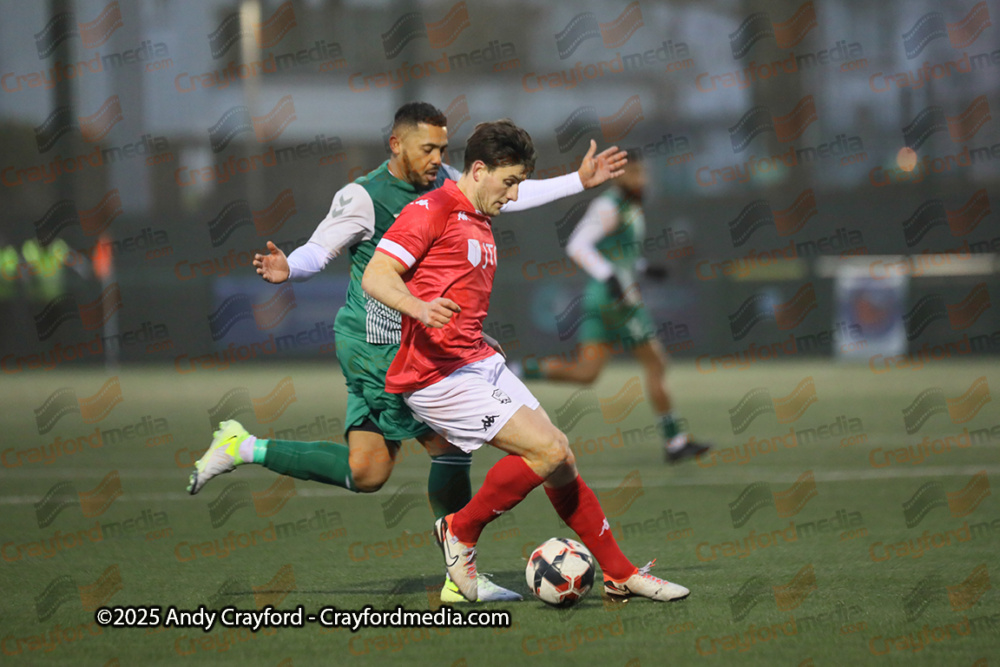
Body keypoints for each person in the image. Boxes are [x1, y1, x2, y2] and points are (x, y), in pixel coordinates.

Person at [186, 102, 627, 603]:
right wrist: (291, 267)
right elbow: (321, 248)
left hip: (422, 342)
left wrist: (578, 180)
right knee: (452, 447)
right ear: (396, 145)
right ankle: (459, 576)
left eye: (443, 147)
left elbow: (508, 192)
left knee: (367, 471)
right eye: (428, 148)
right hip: (378, 349)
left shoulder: (448, 183)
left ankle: (242, 446)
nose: (439, 158)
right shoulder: (363, 195)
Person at [362, 119, 689, 602]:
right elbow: (377, 275)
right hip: (435, 376)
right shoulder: (431, 208)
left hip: (473, 361)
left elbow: (455, 289)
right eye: (509, 182)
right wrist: (419, 308)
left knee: (562, 459)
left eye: (518, 182)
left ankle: (620, 573)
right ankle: (460, 530)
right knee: (548, 451)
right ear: (477, 170)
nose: (514, 195)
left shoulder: (479, 215)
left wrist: (578, 181)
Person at [516, 159, 711, 464]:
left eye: (644, 172)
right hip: (616, 300)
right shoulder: (608, 205)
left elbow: (618, 253)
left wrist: (644, 268)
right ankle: (675, 441)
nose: (642, 179)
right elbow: (578, 245)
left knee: (586, 372)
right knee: (656, 362)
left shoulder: (630, 206)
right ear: (619, 177)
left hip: (605, 297)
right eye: (635, 173)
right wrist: (610, 276)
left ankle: (518, 371)